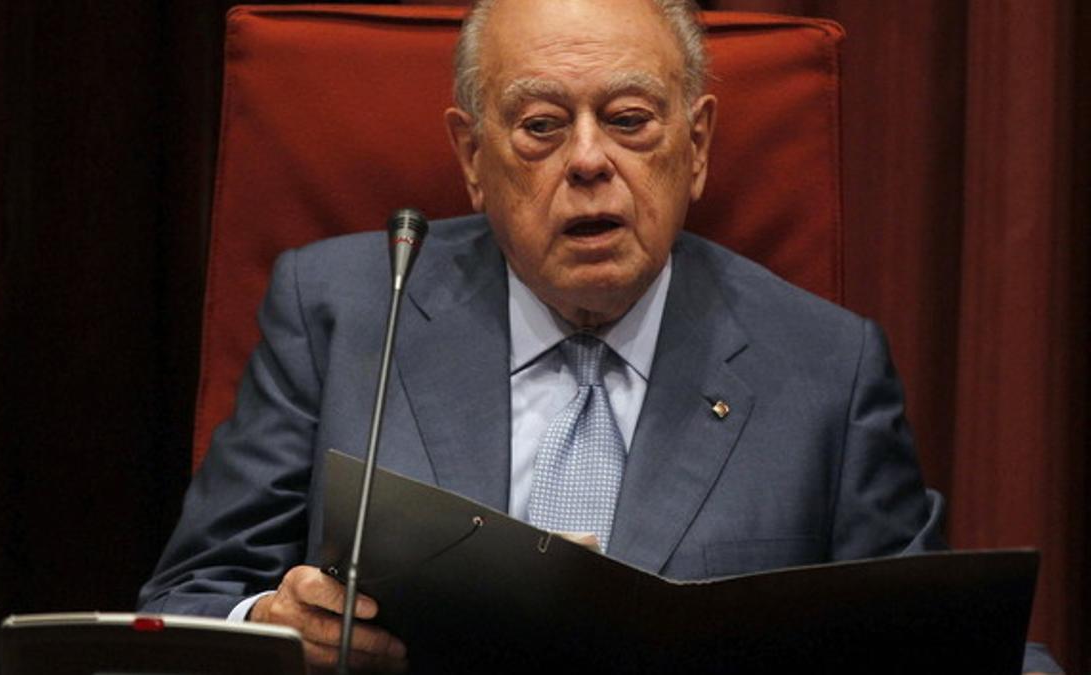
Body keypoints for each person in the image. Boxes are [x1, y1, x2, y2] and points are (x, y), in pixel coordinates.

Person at [139, 0, 1060, 672]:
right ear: (472, 157)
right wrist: (269, 620)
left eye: (629, 120)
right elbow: (183, 603)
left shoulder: (827, 367)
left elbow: (937, 645)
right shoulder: (340, 309)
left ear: (696, 145)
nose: (588, 161)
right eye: (541, 125)